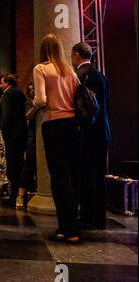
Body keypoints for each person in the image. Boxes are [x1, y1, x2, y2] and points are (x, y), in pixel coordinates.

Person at [33, 34, 81, 243]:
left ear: (43, 49)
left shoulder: (41, 69)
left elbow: (41, 99)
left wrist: (33, 106)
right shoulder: (70, 70)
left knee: (58, 177)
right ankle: (72, 227)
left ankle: (67, 228)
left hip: (53, 124)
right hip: (73, 125)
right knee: (70, 176)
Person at [71, 42, 111, 230]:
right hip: (103, 131)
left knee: (88, 176)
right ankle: (99, 218)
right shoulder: (101, 76)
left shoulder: (82, 76)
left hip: (89, 134)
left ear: (77, 55)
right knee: (99, 175)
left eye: (72, 56)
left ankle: (90, 217)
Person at [0, 74, 28, 207]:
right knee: (20, 165)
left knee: (12, 167)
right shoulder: (20, 93)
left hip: (11, 136)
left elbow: (6, 116)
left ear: (7, 82)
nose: (0, 85)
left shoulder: (7, 94)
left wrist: (1, 134)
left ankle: (13, 196)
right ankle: (21, 194)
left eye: (2, 82)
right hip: (22, 134)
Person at [16, 83, 39, 209]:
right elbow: (27, 116)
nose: (32, 91)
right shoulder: (29, 103)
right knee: (28, 165)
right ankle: (20, 195)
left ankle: (33, 190)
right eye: (30, 90)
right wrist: (36, 106)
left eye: (33, 89)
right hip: (32, 137)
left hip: (42, 135)